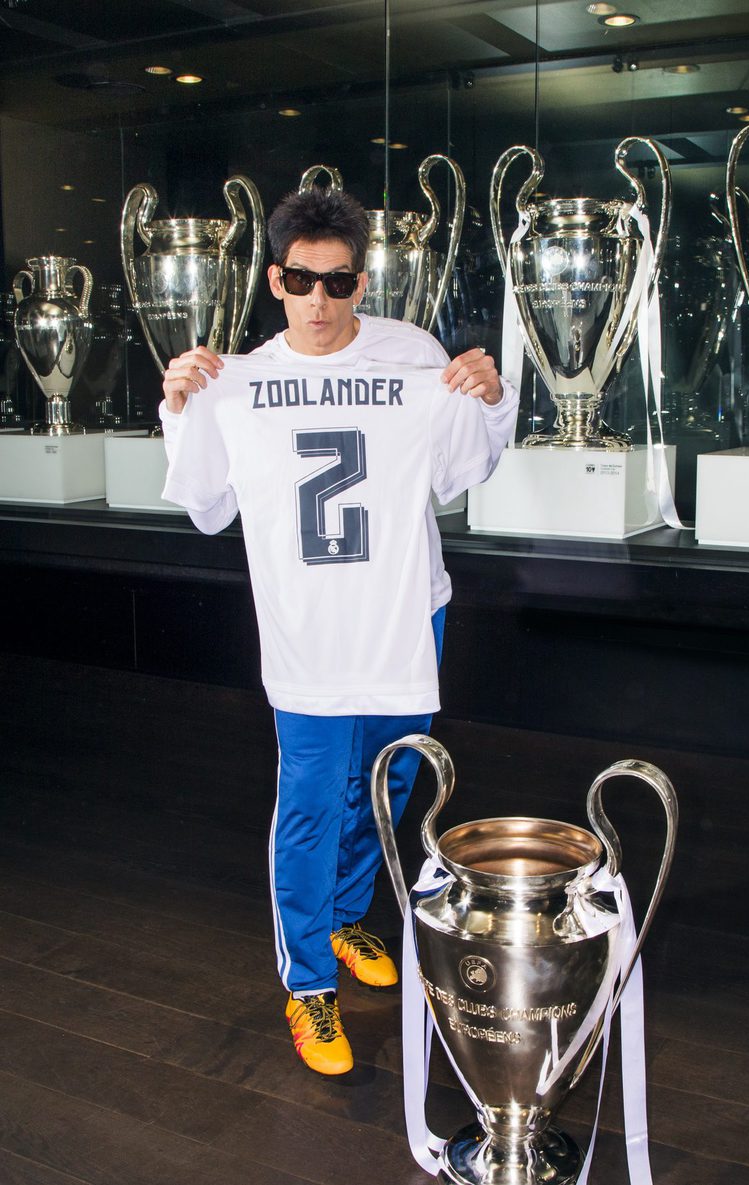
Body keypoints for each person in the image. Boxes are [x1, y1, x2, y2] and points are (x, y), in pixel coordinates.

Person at [159, 185, 518, 1076]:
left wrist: (490, 397)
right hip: (309, 630)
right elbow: (205, 509)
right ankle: (309, 983)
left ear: (363, 280)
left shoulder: (411, 357)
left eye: (340, 280)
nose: (319, 301)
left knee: (390, 786)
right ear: (272, 280)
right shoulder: (233, 382)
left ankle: (351, 913)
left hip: (404, 614)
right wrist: (179, 408)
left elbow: (464, 468)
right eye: (300, 280)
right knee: (314, 800)